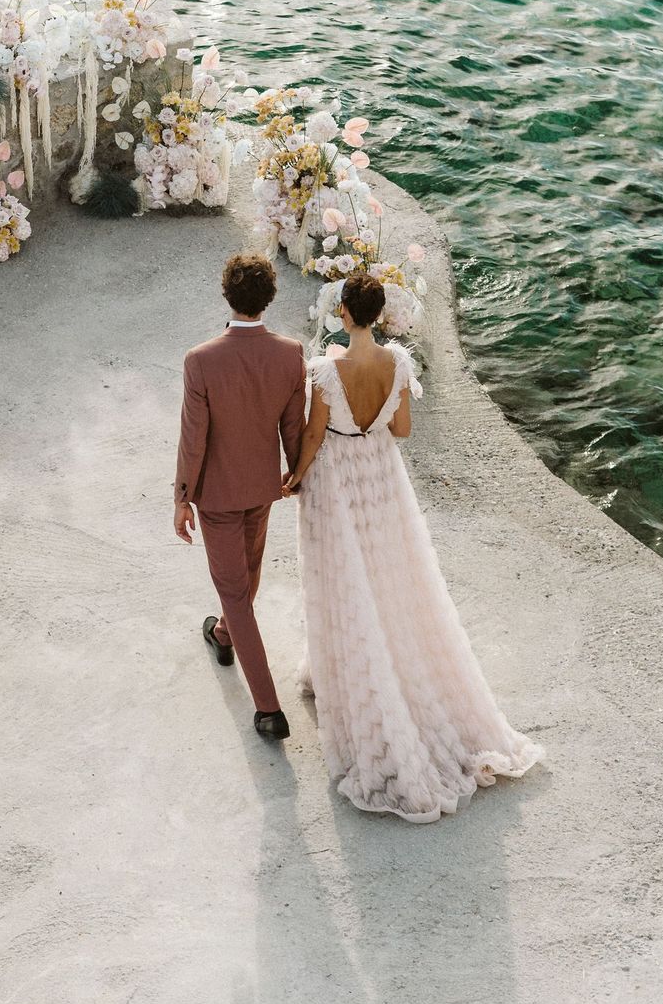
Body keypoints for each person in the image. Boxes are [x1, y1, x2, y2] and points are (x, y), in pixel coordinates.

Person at [284, 272, 543, 820]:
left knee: (342, 577)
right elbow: (401, 429)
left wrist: (294, 477)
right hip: (382, 479)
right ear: (377, 314)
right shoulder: (398, 363)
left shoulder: (327, 370)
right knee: (390, 576)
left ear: (345, 314)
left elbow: (313, 435)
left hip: (339, 483)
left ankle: (344, 672)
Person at [175, 251, 306, 739]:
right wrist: (297, 473)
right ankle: (224, 636)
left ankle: (269, 709)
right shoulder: (291, 353)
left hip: (217, 497)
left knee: (235, 589)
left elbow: (194, 438)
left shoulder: (201, 360)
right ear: (269, 298)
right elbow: (293, 428)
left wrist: (181, 498)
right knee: (246, 577)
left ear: (226, 295)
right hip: (263, 489)